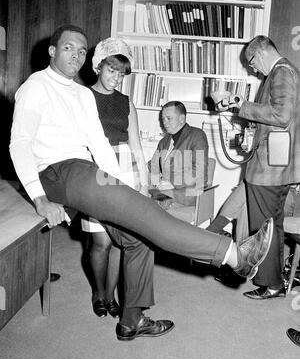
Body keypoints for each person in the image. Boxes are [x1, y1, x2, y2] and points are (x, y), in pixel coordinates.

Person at [9, 24, 274, 341]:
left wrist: (120, 187)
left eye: (81, 50)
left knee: (138, 236)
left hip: (87, 169)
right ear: (52, 51)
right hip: (56, 171)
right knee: (144, 217)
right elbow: (19, 144)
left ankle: (131, 320)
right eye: (68, 48)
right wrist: (39, 198)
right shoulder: (36, 86)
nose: (76, 55)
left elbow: (99, 143)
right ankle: (234, 256)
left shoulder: (80, 93)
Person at [217, 35, 300, 300]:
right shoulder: (280, 72)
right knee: (271, 226)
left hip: (270, 169)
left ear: (261, 53)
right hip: (273, 164)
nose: (253, 68)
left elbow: (281, 116)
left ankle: (269, 284)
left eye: (252, 62)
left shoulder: (281, 72)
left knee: (263, 227)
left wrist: (243, 105)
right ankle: (272, 283)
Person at [81, 37, 149, 319]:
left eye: (121, 74)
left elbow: (136, 144)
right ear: (98, 66)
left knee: (122, 241)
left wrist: (144, 183)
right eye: (111, 70)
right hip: (94, 167)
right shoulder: (82, 97)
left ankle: (110, 296)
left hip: (124, 172)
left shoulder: (126, 103)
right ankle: (98, 292)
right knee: (100, 241)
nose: (116, 78)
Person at [148, 100, 208, 222]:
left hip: (187, 192)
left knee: (147, 206)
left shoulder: (197, 135)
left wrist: (172, 182)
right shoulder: (164, 141)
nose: (164, 122)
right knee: (138, 191)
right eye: (163, 119)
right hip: (164, 190)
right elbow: (153, 165)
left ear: (182, 118)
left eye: (168, 118)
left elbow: (199, 171)